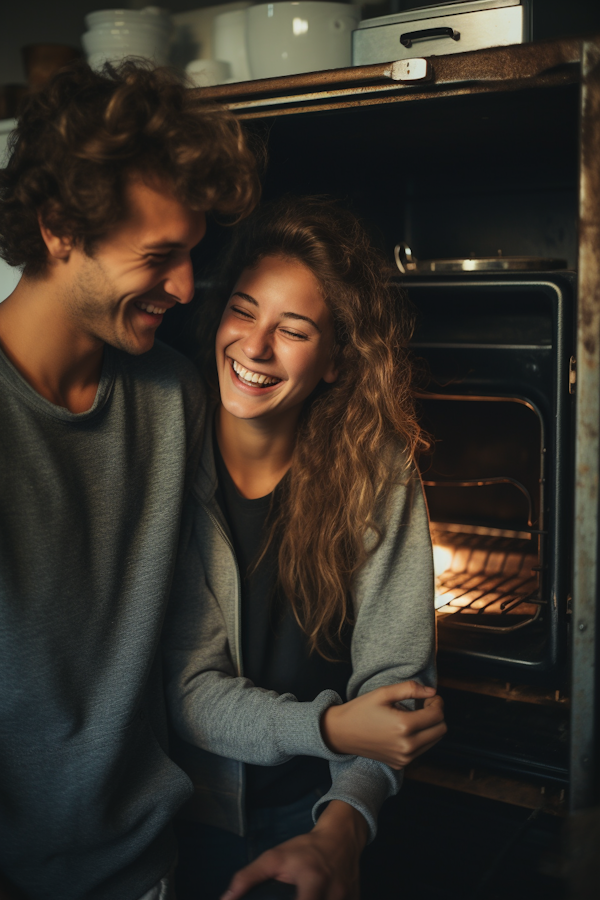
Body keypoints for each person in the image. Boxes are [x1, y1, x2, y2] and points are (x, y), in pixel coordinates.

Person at [0, 60, 261, 900]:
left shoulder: (171, 394)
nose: (186, 289)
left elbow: (190, 644)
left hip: (148, 870)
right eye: (159, 257)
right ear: (57, 228)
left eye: (192, 255)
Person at [164, 197, 447, 900]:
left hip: (323, 803)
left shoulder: (378, 470)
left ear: (334, 363)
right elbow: (188, 694)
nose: (255, 348)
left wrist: (343, 823)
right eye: (243, 310)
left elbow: (398, 688)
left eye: (292, 331)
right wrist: (329, 726)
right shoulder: (165, 453)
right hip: (183, 809)